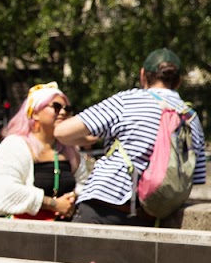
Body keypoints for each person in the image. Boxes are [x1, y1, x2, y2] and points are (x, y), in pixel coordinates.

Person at [56, 49, 207, 227]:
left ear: (143, 75)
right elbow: (195, 177)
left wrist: (92, 138)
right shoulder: (191, 118)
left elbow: (62, 132)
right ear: (178, 81)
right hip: (147, 216)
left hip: (102, 205)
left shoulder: (128, 100)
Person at [0, 83, 81, 220]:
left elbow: (83, 184)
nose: (63, 112)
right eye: (56, 107)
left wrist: (73, 198)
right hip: (18, 231)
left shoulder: (70, 149)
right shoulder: (14, 146)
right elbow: (3, 191)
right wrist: (53, 204)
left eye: (67, 109)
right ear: (35, 113)